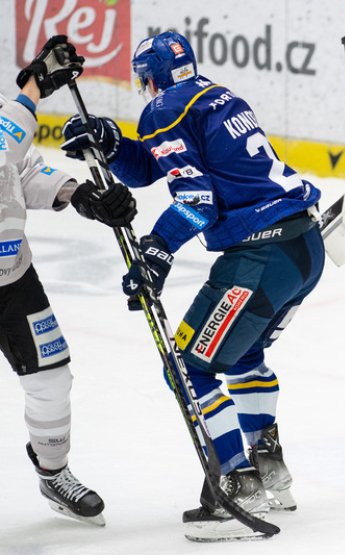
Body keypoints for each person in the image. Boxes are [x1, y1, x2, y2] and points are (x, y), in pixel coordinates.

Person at [61, 31, 324, 540]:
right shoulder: (215, 95)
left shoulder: (164, 108)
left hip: (261, 256)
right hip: (302, 250)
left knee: (187, 368)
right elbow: (155, 167)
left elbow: (196, 200)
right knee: (243, 357)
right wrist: (112, 145)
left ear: (151, 77)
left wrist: (157, 249)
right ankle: (269, 468)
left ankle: (238, 487)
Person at [3, 35, 137, 526]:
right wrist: (33, 89)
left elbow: (18, 170)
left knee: (52, 378)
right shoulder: (10, 117)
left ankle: (53, 473)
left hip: (13, 275)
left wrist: (78, 194)